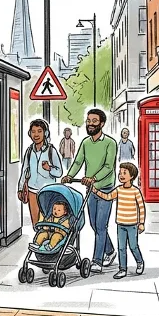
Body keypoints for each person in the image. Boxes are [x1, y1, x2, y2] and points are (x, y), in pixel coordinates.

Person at [62, 109, 118, 274]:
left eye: (94, 121)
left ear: (101, 123)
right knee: (94, 225)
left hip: (106, 189)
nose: (90, 124)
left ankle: (97, 261)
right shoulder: (85, 142)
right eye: (88, 120)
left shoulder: (110, 143)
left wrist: (93, 178)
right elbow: (78, 161)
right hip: (91, 189)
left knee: (101, 225)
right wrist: (69, 175)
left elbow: (109, 167)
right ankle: (110, 251)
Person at [90, 162, 146, 279]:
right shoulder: (118, 190)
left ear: (132, 176)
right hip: (120, 224)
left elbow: (141, 207)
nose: (121, 175)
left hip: (132, 225)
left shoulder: (135, 191)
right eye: (120, 172)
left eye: (124, 173)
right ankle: (122, 269)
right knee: (121, 248)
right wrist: (96, 191)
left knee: (133, 246)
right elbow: (108, 196)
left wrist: (141, 223)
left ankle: (139, 262)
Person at [18, 119, 63, 225]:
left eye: (39, 131)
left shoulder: (51, 151)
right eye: (33, 131)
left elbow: (59, 172)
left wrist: (49, 168)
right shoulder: (29, 151)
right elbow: (24, 171)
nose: (36, 134)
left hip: (48, 191)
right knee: (35, 221)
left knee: (48, 221)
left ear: (45, 133)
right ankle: (38, 241)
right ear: (30, 134)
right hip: (32, 191)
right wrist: (20, 189)